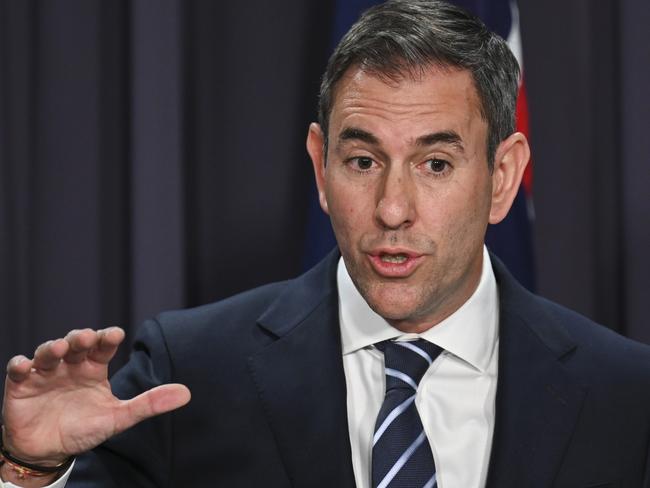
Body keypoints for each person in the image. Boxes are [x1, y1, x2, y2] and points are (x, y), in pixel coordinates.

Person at [2, 1, 650, 487]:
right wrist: (32, 468)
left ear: (502, 177)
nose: (393, 209)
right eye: (363, 161)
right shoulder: (191, 373)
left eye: (436, 165)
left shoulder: (625, 396)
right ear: (320, 166)